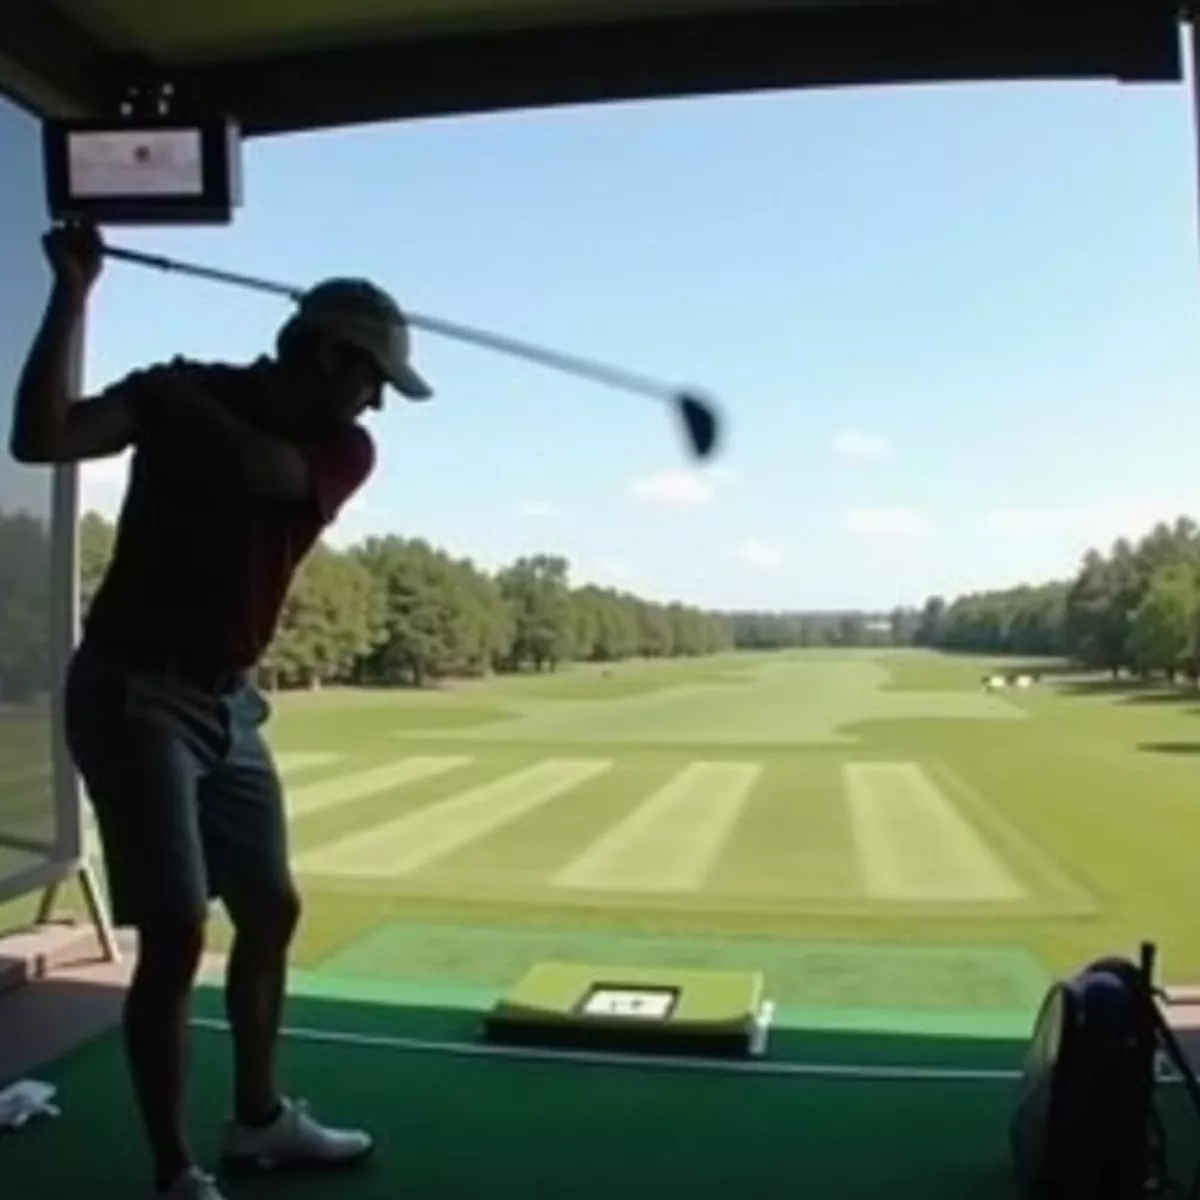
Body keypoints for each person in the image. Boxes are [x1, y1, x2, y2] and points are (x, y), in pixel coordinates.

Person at [8, 221, 434, 1200]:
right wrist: (73, 295)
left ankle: (256, 1121)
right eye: (374, 378)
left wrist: (165, 396)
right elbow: (39, 437)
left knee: (272, 907)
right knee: (171, 930)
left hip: (230, 703)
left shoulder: (338, 446)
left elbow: (260, 475)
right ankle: (174, 1171)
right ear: (330, 355)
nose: (378, 403)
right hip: (132, 689)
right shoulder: (184, 390)